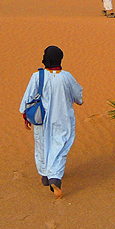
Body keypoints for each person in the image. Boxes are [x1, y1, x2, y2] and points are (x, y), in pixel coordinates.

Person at [19, 46, 83, 198]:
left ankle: (45, 175)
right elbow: (78, 96)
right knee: (60, 146)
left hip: (42, 120)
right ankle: (55, 176)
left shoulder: (37, 76)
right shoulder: (67, 77)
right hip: (63, 119)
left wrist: (25, 115)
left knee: (42, 145)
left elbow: (28, 98)